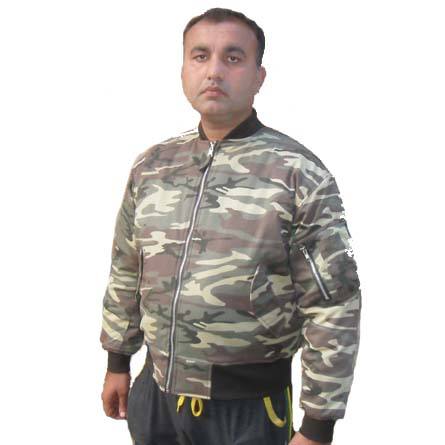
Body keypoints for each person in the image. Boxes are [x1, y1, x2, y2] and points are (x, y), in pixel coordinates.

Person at [100, 7, 362, 445]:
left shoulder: (299, 174)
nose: (214, 71)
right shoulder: (152, 167)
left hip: (248, 409)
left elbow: (335, 301)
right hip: (155, 396)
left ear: (259, 77)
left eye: (233, 58)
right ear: (183, 69)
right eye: (200, 56)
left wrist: (318, 423)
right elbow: (126, 267)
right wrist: (117, 361)